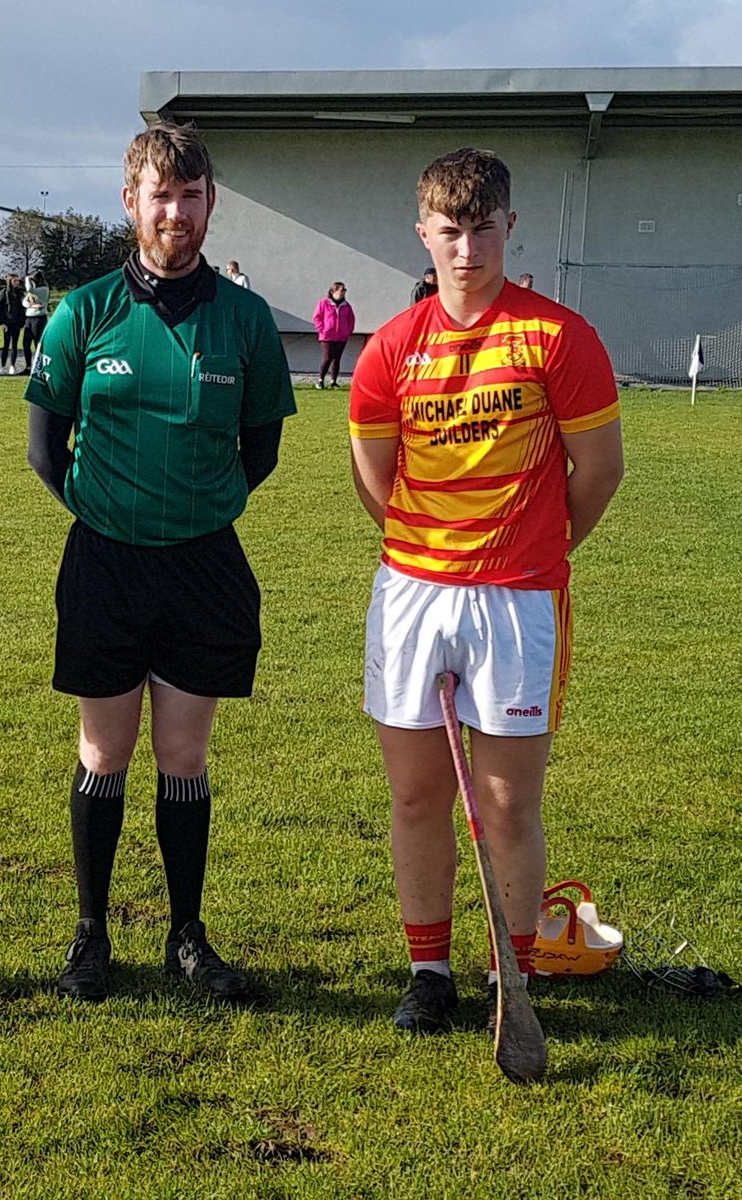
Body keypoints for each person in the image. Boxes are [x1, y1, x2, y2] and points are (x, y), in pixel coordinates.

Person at [349, 147, 623, 1037]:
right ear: (422, 232)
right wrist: (432, 552)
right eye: (449, 231)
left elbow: (599, 472)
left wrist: (535, 549)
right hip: (414, 594)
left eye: (482, 228)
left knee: (506, 803)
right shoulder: (390, 348)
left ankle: (515, 969)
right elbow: (373, 478)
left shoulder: (559, 337)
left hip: (518, 601)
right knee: (418, 796)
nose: (466, 250)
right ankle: (429, 971)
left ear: (510, 227)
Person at [25, 121, 296, 1004]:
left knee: (184, 754)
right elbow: (43, 445)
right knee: (105, 750)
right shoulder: (83, 310)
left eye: (190, 195)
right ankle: (90, 934)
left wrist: (189, 511)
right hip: (105, 562)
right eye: (158, 195)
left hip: (203, 566)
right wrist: (113, 514)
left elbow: (261, 451)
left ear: (210, 204)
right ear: (130, 202)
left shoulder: (246, 321)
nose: (173, 212)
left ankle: (188, 934)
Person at [311, 281, 355, 389]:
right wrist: (322, 329)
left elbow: (351, 320)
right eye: (341, 290)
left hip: (341, 337)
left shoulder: (346, 306)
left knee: (337, 359)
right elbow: (317, 317)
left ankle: (333, 381)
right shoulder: (324, 303)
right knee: (327, 358)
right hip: (327, 336)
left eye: (344, 290)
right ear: (333, 291)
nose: (343, 293)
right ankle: (320, 380)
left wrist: (347, 331)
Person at [0, 273, 26, 373]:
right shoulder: (3, 294)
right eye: (15, 281)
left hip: (16, 323)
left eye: (18, 281)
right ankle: (2, 366)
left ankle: (12, 365)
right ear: (10, 282)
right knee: (5, 345)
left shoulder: (20, 293)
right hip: (7, 323)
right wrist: (1, 322)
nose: (17, 283)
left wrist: (22, 321)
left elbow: (23, 307)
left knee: (14, 345)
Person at [21, 269, 49, 372]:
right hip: (29, 318)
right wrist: (32, 305)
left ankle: (39, 366)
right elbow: (24, 302)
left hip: (39, 318)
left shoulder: (43, 289)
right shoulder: (34, 291)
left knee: (38, 343)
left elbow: (29, 290)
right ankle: (28, 366)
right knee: (26, 343)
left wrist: (27, 278)